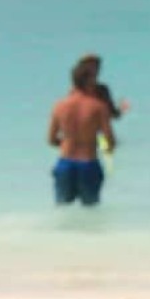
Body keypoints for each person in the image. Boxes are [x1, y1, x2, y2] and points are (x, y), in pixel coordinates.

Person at [49, 59, 117, 205]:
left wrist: (68, 142)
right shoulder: (98, 107)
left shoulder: (59, 106)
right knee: (91, 211)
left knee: (62, 209)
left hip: (65, 163)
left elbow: (51, 139)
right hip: (88, 163)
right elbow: (110, 142)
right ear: (89, 81)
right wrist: (100, 146)